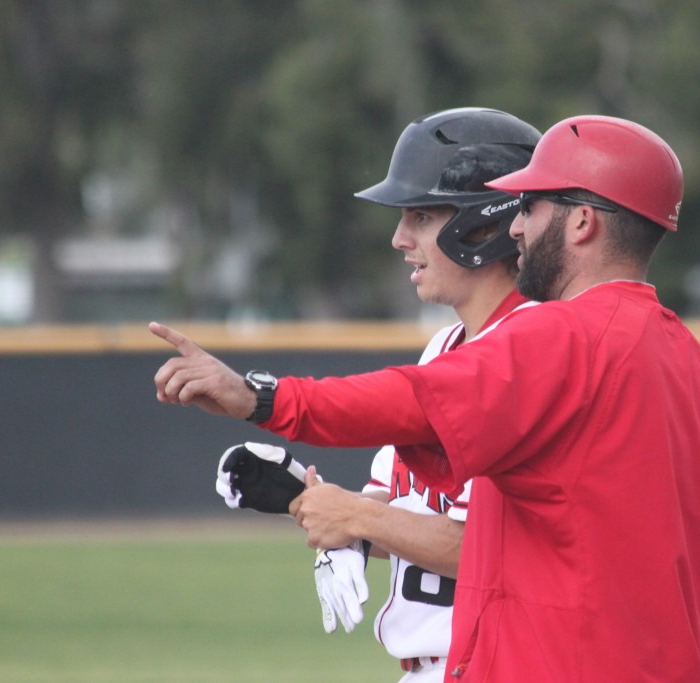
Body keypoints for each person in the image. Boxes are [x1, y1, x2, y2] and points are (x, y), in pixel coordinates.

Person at [152, 114, 700, 682]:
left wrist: (261, 398)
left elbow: (411, 403)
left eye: (534, 206)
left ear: (582, 223)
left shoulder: (564, 334)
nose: (516, 224)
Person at [213, 107, 541, 683]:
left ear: (483, 225)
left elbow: (490, 549)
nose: (400, 238)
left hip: (503, 664)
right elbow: (415, 521)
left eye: (420, 214)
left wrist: (357, 516)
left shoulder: (534, 349)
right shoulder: (445, 345)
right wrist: (312, 501)